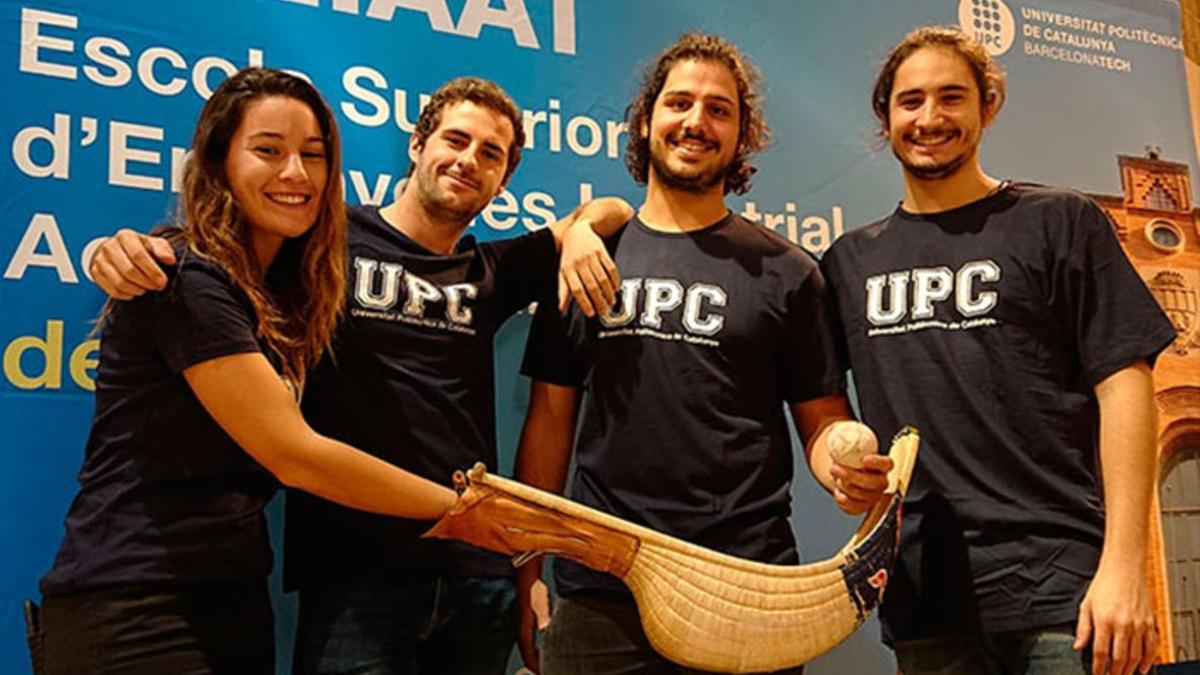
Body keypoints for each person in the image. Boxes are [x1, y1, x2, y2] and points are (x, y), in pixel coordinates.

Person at [89, 76, 632, 674]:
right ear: (418, 144)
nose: (468, 160)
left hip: (476, 574)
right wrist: (113, 252)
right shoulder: (324, 242)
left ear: (504, 179)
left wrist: (580, 229)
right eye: (456, 139)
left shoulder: (493, 269)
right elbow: (218, 255)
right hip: (356, 574)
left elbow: (615, 208)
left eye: (491, 154)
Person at [34, 67, 464, 675]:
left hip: (230, 600)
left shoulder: (289, 295)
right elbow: (295, 455)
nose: (295, 174)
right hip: (133, 605)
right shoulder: (184, 278)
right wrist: (469, 512)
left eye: (313, 156)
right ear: (218, 162)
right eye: (268, 150)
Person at [512, 32, 894, 675]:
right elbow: (550, 419)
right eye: (679, 103)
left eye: (719, 110)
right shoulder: (587, 259)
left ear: (742, 136)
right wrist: (527, 570)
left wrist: (841, 469)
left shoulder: (788, 271)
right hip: (603, 589)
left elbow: (822, 418)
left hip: (746, 592)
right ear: (645, 120)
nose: (696, 122)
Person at [819, 26, 1174, 675]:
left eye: (951, 97)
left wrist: (1125, 567)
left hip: (1066, 592)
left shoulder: (1058, 221)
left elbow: (1126, 385)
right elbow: (827, 416)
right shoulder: (848, 261)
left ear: (988, 105)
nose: (930, 118)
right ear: (886, 116)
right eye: (911, 101)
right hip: (926, 600)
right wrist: (842, 469)